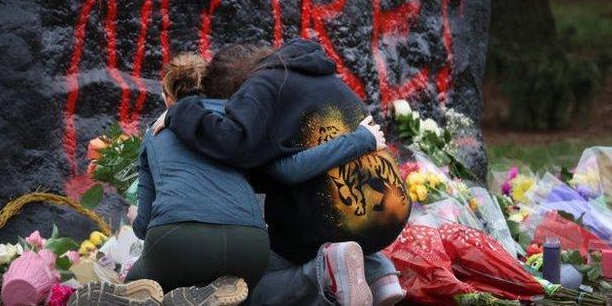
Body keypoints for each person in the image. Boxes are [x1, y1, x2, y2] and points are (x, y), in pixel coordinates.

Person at [72, 53, 386, 306]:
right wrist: (360, 140)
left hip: (180, 241)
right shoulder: (247, 126)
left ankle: (169, 298)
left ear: (168, 98)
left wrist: (139, 216)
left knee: (140, 284)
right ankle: (370, 272)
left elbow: (144, 225)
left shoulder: (157, 132)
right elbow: (286, 170)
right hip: (251, 244)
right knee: (250, 289)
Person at [154, 40, 410, 306]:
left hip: (334, 220)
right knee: (338, 231)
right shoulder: (317, 78)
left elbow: (237, 143)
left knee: (252, 285)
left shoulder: (261, 88)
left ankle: (323, 274)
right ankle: (379, 274)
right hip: (391, 212)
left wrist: (182, 111)